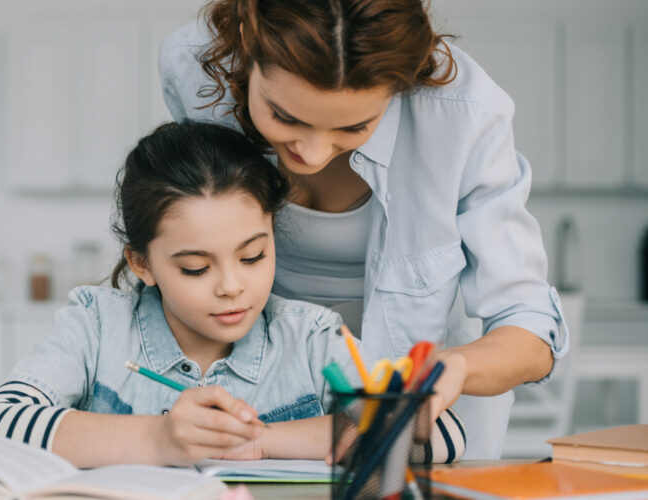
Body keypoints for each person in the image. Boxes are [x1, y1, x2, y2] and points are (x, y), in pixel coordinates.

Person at [159, 0, 570, 459]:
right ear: (246, 46)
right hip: (260, 404)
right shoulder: (193, 70)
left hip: (425, 426)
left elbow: (529, 328)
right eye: (285, 117)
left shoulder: (465, 117)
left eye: (355, 126)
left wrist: (452, 368)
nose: (313, 155)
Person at [0, 121, 375, 468]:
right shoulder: (97, 326)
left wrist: (262, 440)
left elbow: (430, 426)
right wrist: (158, 438)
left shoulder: (310, 338)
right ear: (142, 264)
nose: (231, 286)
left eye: (253, 256)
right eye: (196, 268)